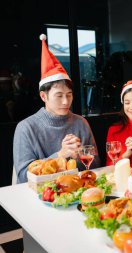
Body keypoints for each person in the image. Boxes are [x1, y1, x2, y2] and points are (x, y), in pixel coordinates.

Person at [13, 34, 100, 183]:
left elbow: (96, 165)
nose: (66, 101)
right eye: (59, 96)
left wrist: (77, 156)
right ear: (43, 96)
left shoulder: (80, 123)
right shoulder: (26, 128)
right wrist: (61, 154)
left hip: (75, 191)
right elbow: (22, 176)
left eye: (69, 95)